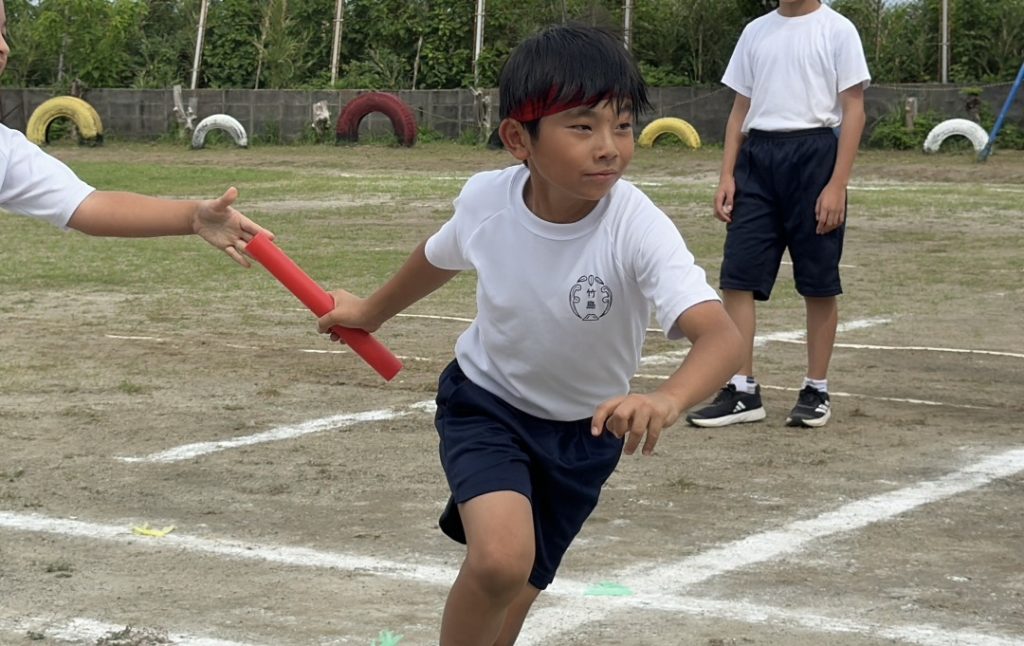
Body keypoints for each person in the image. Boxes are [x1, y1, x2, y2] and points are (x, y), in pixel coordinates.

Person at [316, 23, 743, 646]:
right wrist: (371, 312)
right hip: (486, 406)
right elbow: (438, 256)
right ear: (520, 138)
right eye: (582, 126)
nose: (609, 147)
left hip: (583, 439)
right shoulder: (487, 201)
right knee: (499, 562)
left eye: (622, 125)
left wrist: (666, 399)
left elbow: (722, 339)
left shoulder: (636, 225)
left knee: (511, 603)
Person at [686, 0, 870, 429]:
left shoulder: (837, 30)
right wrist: (727, 174)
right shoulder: (755, 32)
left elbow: (854, 108)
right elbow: (739, 110)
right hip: (758, 160)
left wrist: (837, 183)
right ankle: (742, 389)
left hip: (815, 156)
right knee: (738, 276)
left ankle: (816, 389)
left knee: (818, 280)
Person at [0, 0, 269, 262]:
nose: (5, 47)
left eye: (2, 31)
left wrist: (194, 216)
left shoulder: (5, 148)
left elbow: (85, 204)